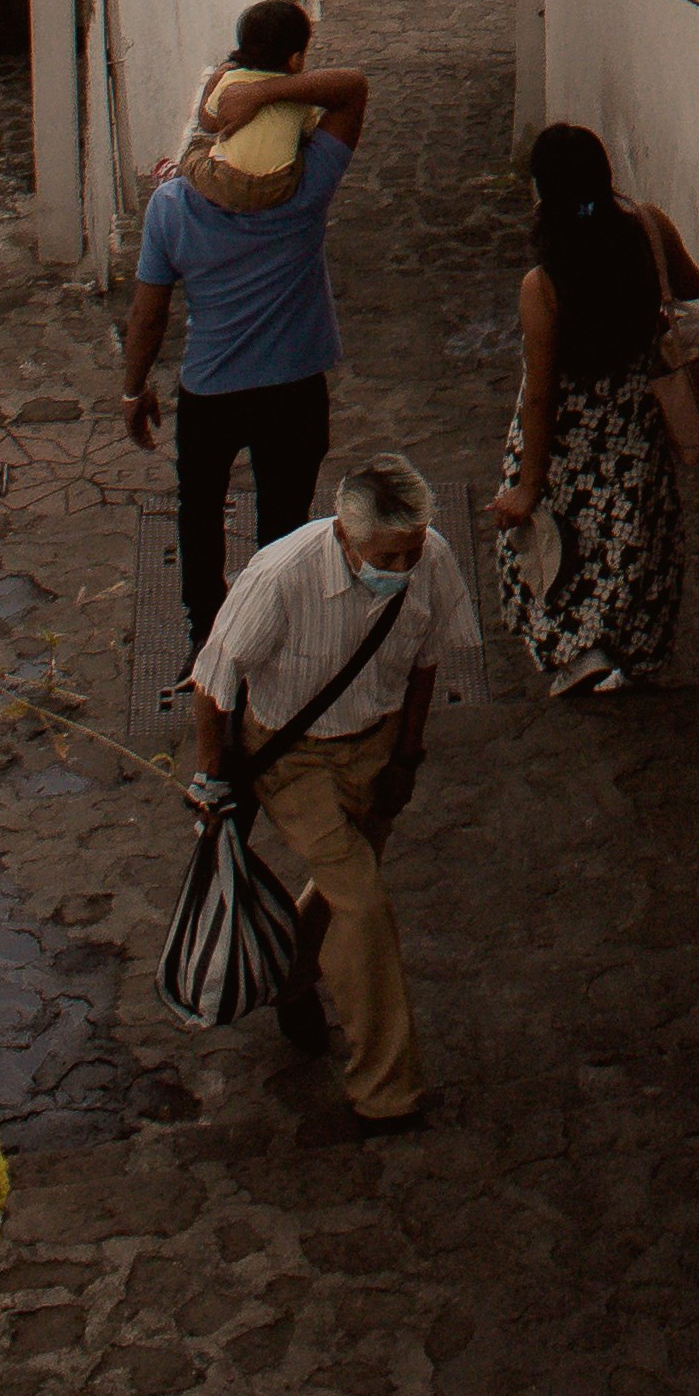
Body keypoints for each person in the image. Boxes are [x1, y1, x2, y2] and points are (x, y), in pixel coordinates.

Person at [186, 450, 478, 1130]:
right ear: (345, 535)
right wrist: (210, 776)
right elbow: (214, 681)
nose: (401, 568)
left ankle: (291, 977)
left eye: (409, 551)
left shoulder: (430, 557)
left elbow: (427, 661)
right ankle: (386, 1089)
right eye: (387, 555)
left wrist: (408, 755)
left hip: (375, 748)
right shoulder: (279, 578)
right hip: (293, 761)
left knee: (347, 878)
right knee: (365, 903)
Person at [121, 0, 367, 651]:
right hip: (293, 385)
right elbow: (351, 91)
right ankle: (277, 635)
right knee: (284, 524)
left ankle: (209, 641)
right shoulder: (307, 186)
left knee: (198, 515)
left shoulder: (172, 204)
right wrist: (275, 93)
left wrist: (132, 387)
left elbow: (150, 313)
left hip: (211, 389)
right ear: (292, 63)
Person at [484, 126, 699, 697]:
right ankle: (627, 647)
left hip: (569, 434)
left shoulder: (544, 283)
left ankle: (578, 650)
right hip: (635, 419)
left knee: (556, 539)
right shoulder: (648, 226)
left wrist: (528, 485)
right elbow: (692, 286)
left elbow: (540, 391)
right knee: (630, 530)